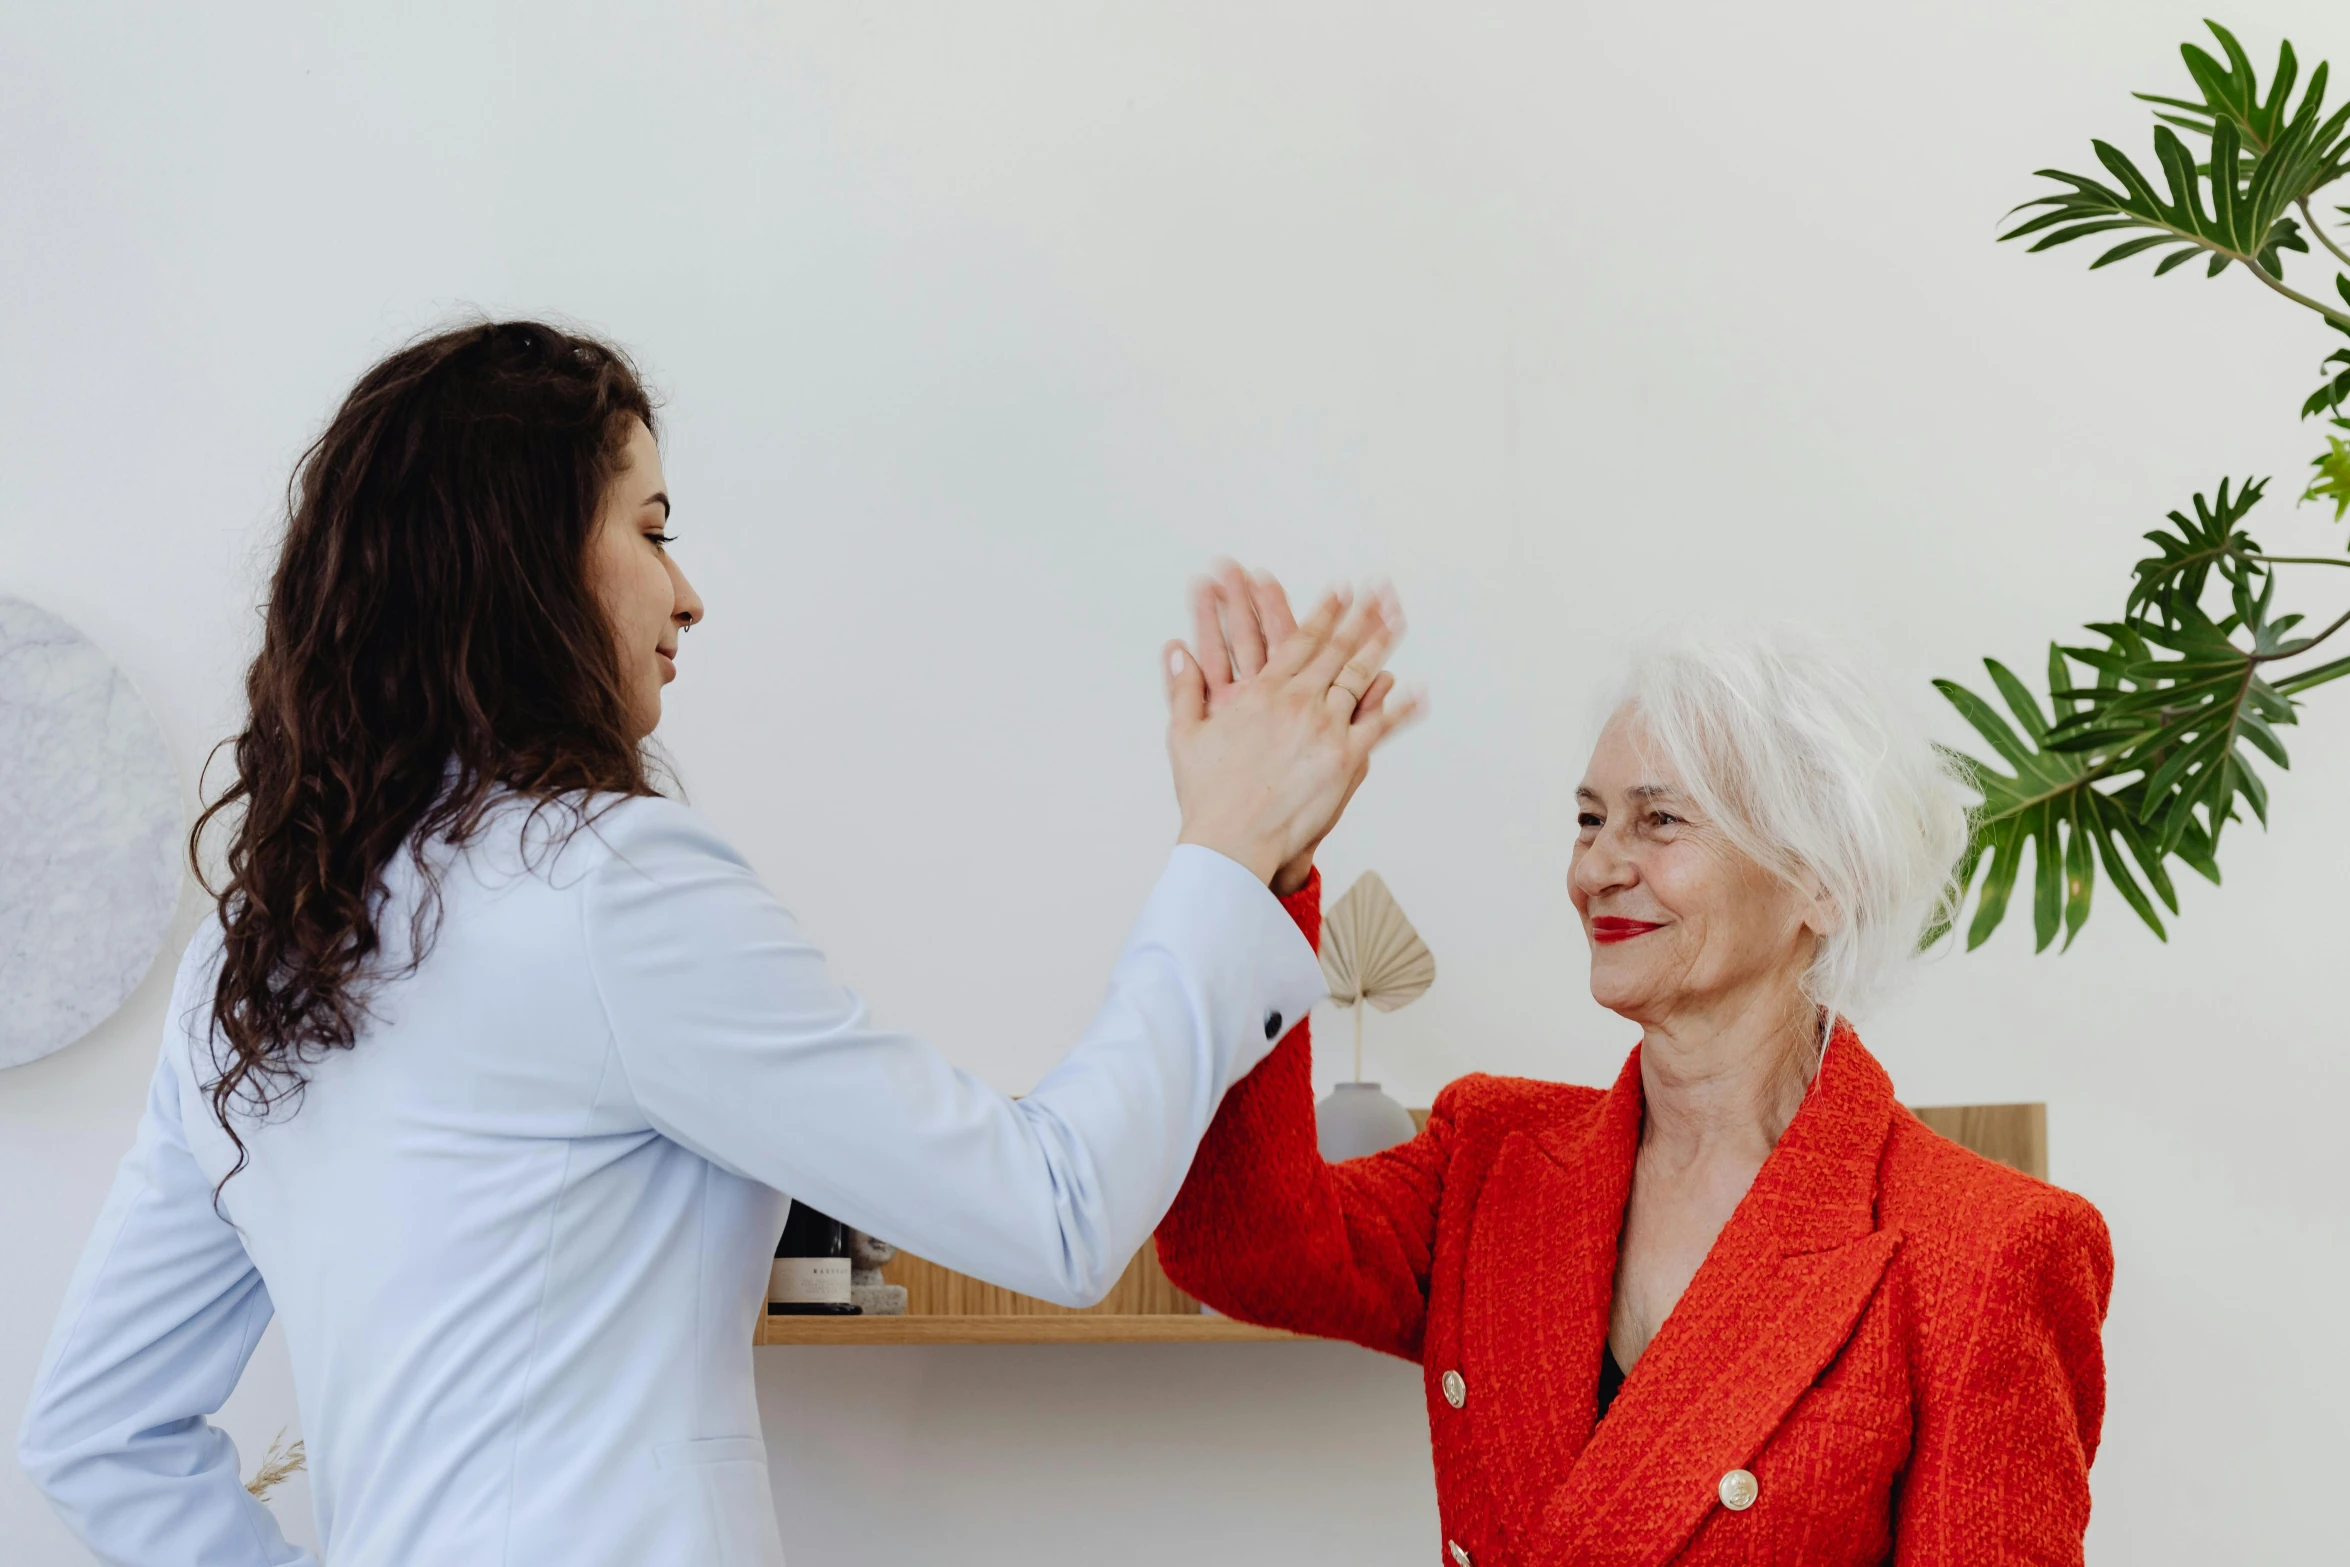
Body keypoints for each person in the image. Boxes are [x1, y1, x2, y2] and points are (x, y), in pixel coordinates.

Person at [14, 322, 1420, 1567]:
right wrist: (1222, 853)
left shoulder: (251, 957)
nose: (688, 596)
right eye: (652, 527)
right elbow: (1050, 1212)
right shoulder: (607, 885)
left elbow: (97, 1432)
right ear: (523, 556)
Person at [1157, 573, 2114, 1567]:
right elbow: (1239, 1248)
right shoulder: (1489, 1158)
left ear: (1823, 881)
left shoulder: (1986, 1249)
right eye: (1588, 819)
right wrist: (1252, 863)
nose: (1598, 866)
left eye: (1658, 821)